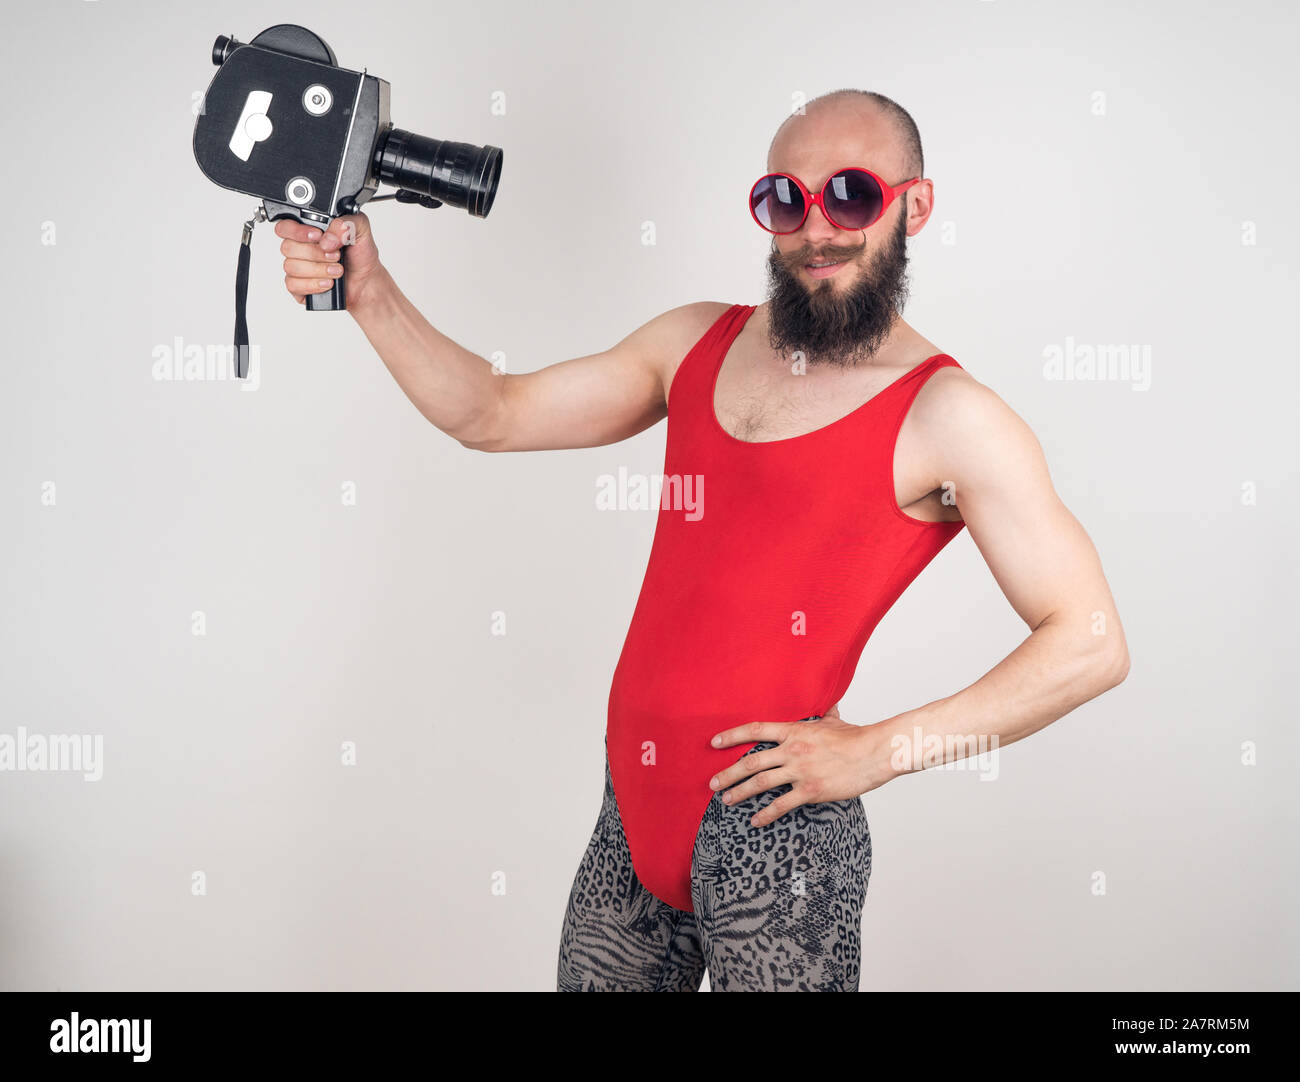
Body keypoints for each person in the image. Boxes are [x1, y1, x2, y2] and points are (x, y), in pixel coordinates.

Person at [274, 89, 1130, 992]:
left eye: (851, 195)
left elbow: (1090, 642)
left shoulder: (952, 416)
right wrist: (368, 293)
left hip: (778, 826)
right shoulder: (694, 343)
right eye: (785, 201)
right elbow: (493, 413)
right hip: (631, 811)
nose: (816, 229)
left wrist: (879, 749)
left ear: (914, 205)